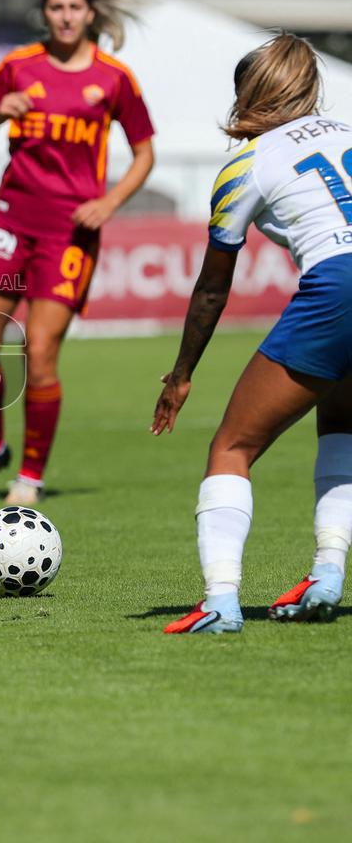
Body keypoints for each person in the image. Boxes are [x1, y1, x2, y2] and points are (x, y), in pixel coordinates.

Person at [154, 33, 351, 634]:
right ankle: (327, 575)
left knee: (232, 448)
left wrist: (181, 375)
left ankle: (220, 601)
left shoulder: (246, 164)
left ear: (247, 94)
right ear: (309, 90)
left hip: (339, 286)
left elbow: (214, 287)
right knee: (341, 423)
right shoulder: (346, 131)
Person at [0, 0, 155, 505]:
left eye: (74, 7)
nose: (65, 15)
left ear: (89, 14)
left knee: (38, 352)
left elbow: (145, 151)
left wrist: (109, 202)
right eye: (56, 7)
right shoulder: (15, 68)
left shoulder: (114, 79)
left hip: (69, 231)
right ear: (45, 13)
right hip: (12, 220)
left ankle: (30, 477)